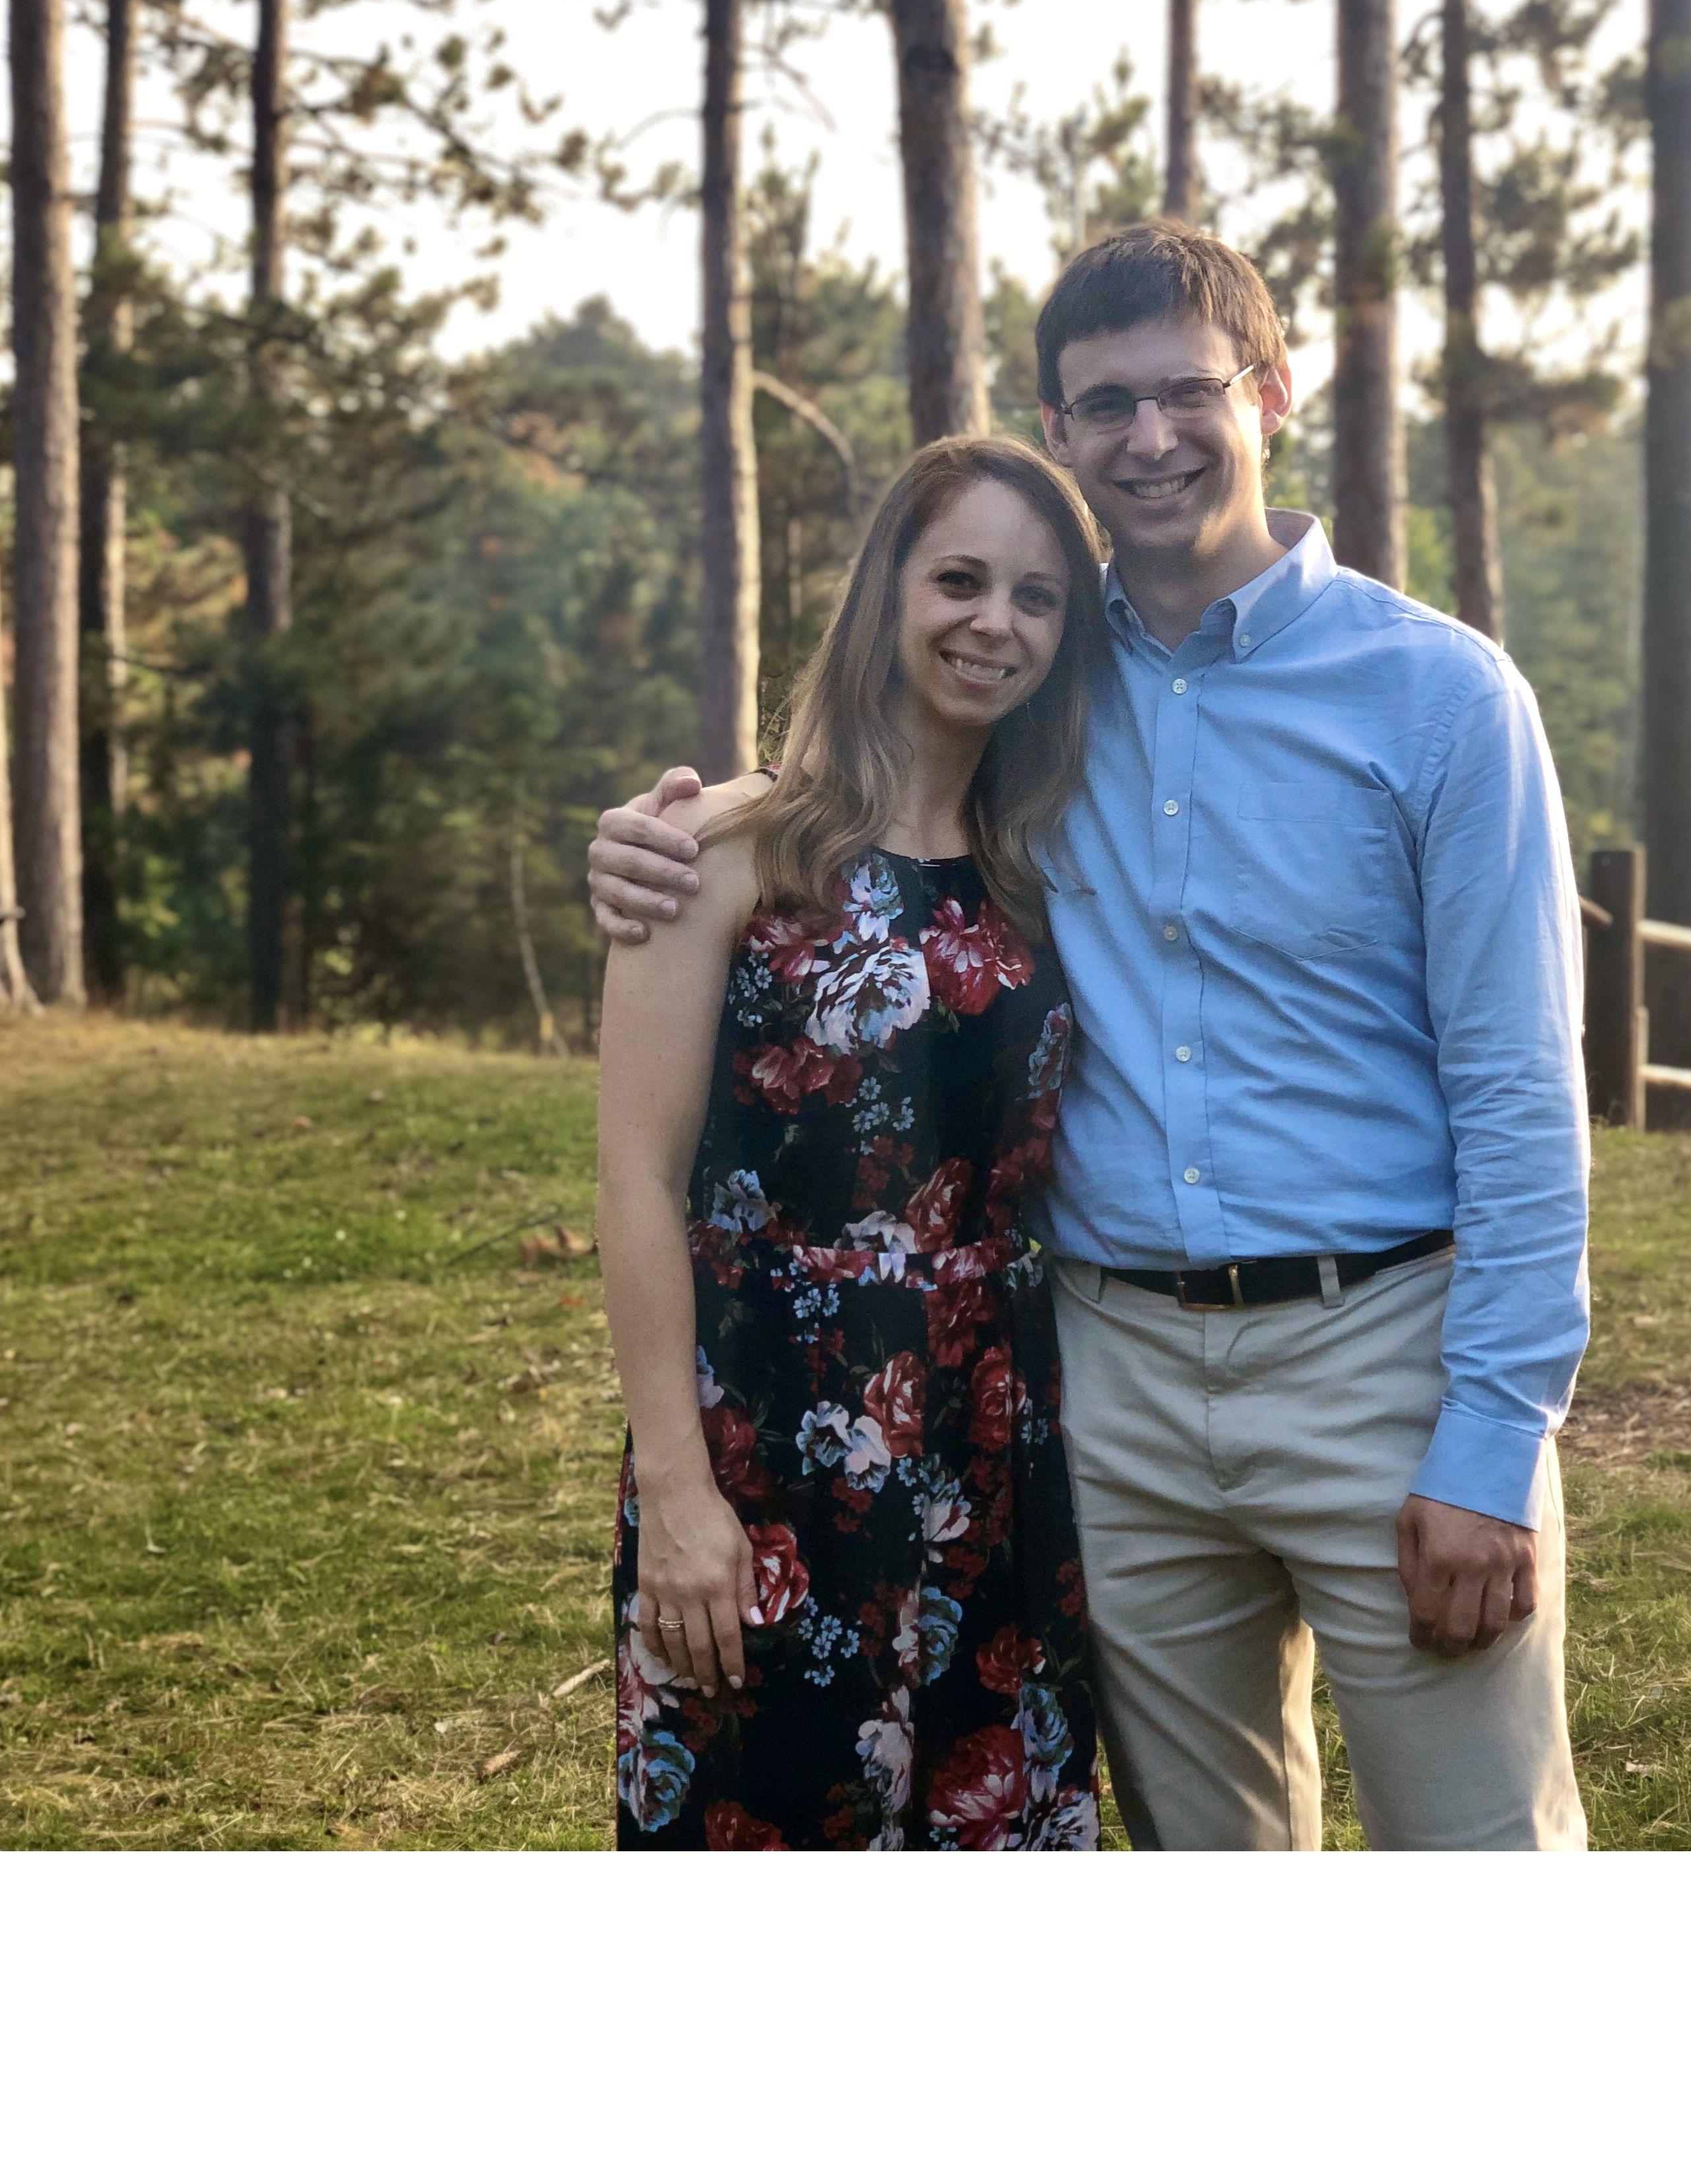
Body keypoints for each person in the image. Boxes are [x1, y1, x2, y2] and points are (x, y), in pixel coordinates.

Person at [593, 222, 1591, 1851]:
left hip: (1381, 1360)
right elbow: (856, 798)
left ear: (1273, 391)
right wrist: (651, 843)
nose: (1152, 437)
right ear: (1059, 429)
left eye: (1190, 392)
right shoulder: (1040, 678)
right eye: (1106, 405)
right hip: (1104, 1390)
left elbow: (1524, 1096)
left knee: (1477, 1854)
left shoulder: (1444, 701)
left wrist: (1492, 1443)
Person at [596, 432, 1107, 1849]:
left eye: (1038, 597)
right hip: (771, 1436)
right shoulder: (725, 851)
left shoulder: (1047, 863)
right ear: (888, 588)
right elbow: (636, 1183)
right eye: (960, 579)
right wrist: (678, 1490)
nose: (994, 623)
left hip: (1002, 1440)